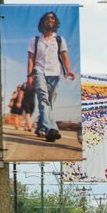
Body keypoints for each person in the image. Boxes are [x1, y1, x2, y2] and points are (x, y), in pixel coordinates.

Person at [27, 11, 76, 142]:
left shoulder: (59, 40)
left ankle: (41, 127)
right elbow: (31, 59)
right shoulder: (35, 40)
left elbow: (64, 56)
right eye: (48, 18)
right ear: (43, 22)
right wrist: (29, 75)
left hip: (55, 73)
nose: (51, 20)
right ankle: (51, 129)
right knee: (43, 99)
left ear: (55, 22)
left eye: (53, 18)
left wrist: (69, 70)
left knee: (49, 103)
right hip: (39, 71)